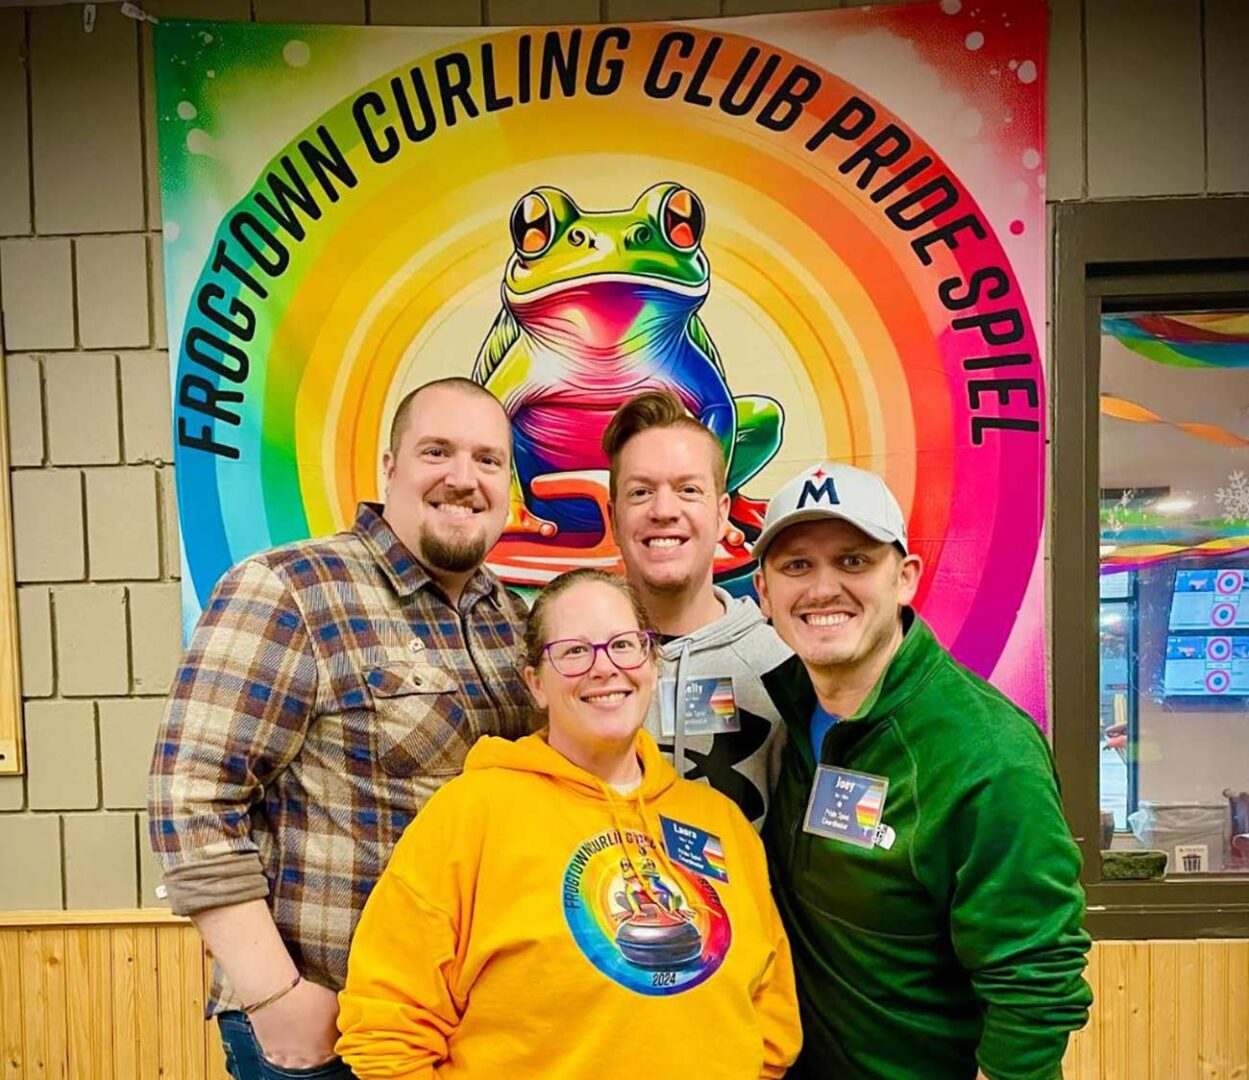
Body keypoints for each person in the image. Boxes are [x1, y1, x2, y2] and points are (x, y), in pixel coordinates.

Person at [148, 378, 534, 1078]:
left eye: (487, 460)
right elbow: (191, 795)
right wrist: (274, 994)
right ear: (389, 467)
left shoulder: (514, 622)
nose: (463, 477)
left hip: (461, 1027)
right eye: (436, 451)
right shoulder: (289, 588)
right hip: (328, 1027)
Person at [336, 569, 801, 1079]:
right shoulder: (471, 815)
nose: (604, 668)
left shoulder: (720, 823)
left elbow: (771, 1018)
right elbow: (386, 1031)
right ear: (535, 682)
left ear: (651, 663)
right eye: (575, 651)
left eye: (624, 645)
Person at [753, 462, 1092, 1080]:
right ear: (763, 593)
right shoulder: (793, 710)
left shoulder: (988, 754)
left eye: (853, 561)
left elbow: (1036, 980)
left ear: (905, 578)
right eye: (797, 565)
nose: (823, 588)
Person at [602, 390, 790, 828]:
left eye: (688, 489)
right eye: (641, 491)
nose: (664, 510)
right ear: (613, 518)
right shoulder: (574, 663)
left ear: (722, 514)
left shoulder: (782, 666)